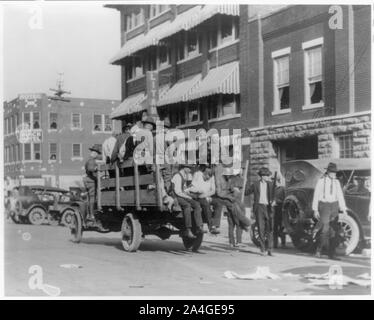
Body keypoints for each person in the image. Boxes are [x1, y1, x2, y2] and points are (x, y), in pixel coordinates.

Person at [312, 162, 347, 260]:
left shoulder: (336, 182)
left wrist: (343, 209)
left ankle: (331, 253)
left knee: (333, 231)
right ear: (327, 172)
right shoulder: (321, 181)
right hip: (324, 205)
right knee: (325, 229)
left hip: (334, 206)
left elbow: (340, 196)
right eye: (332, 172)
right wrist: (315, 209)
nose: (334, 174)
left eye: (335, 172)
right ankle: (319, 249)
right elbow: (316, 195)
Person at [245, 167, 274, 256]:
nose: (266, 177)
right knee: (261, 228)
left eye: (267, 175)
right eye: (265, 175)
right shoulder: (255, 184)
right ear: (261, 176)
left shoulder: (271, 184)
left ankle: (270, 249)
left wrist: (274, 201)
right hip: (259, 208)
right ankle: (262, 249)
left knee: (270, 228)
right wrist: (245, 183)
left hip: (268, 208)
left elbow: (274, 195)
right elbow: (247, 192)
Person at [171, 164, 204, 239]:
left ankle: (199, 226)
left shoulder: (184, 175)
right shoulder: (177, 176)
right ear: (184, 168)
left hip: (182, 194)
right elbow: (177, 192)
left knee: (196, 204)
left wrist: (190, 193)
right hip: (176, 196)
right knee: (187, 205)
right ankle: (188, 229)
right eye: (189, 168)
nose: (190, 170)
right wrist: (188, 197)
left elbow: (184, 189)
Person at [83, 146, 106, 231]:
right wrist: (96, 169)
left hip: (89, 180)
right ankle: (91, 215)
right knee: (92, 198)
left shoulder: (90, 159)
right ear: (94, 153)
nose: (96, 155)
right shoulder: (91, 160)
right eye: (95, 153)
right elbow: (90, 169)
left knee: (91, 198)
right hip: (90, 181)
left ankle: (91, 214)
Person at [188, 165, 216, 233]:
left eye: (209, 178)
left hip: (203, 196)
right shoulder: (197, 174)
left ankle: (207, 226)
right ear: (204, 173)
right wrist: (198, 191)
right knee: (205, 204)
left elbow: (212, 190)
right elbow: (191, 187)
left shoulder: (210, 177)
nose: (207, 179)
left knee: (206, 204)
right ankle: (209, 226)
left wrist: (204, 195)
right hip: (195, 195)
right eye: (206, 177)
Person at [272, 175, 286, 249]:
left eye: (273, 180)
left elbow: (285, 199)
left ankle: (283, 243)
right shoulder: (272, 189)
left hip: (281, 209)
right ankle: (275, 244)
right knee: (274, 227)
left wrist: (277, 201)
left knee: (282, 227)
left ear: (277, 180)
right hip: (274, 210)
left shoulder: (282, 189)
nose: (272, 181)